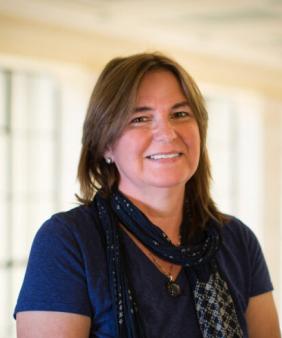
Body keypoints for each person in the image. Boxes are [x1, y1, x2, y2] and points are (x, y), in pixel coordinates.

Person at [15, 52, 281, 338]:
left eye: (180, 114)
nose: (167, 133)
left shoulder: (237, 240)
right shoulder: (69, 240)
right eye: (140, 118)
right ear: (105, 144)